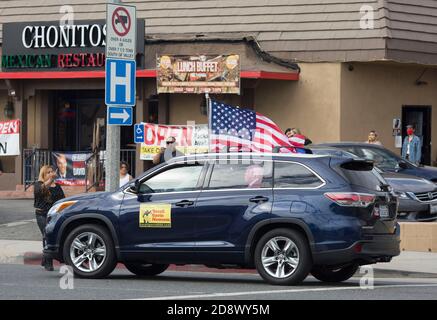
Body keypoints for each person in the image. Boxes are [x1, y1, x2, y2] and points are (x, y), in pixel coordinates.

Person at [34, 165, 65, 271]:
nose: (51, 173)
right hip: (42, 215)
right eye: (48, 172)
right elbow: (40, 191)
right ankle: (48, 262)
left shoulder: (57, 186)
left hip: (54, 216)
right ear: (43, 175)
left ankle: (44, 258)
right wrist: (51, 179)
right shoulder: (39, 185)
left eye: (52, 172)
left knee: (52, 236)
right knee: (46, 236)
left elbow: (62, 200)